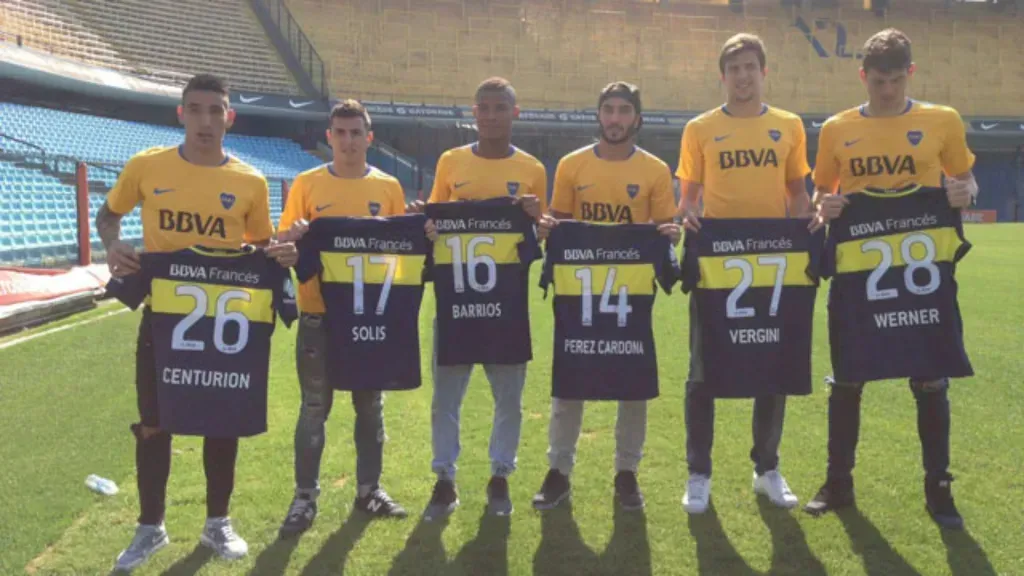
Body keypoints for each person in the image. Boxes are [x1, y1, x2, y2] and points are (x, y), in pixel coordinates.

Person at [96, 73, 298, 572]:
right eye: (196, 109)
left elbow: (258, 250)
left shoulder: (249, 181)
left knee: (220, 421)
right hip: (162, 317)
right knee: (153, 424)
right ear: (180, 114)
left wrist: (283, 253)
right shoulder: (147, 166)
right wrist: (112, 244)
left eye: (216, 111)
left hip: (223, 324)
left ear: (229, 117)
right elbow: (108, 214)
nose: (206, 120)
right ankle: (150, 528)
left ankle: (217, 523)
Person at [803, 28, 978, 530]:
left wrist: (962, 192)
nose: (886, 91)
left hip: (922, 274)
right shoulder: (836, 129)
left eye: (896, 81)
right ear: (863, 76)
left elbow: (966, 180)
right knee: (848, 379)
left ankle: (938, 487)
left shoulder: (942, 120)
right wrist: (826, 205)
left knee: (930, 378)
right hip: (859, 276)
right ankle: (838, 483)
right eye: (878, 81)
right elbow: (820, 197)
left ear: (911, 75)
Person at [676, 33, 812, 515]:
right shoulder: (700, 128)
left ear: (764, 71)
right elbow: (687, 197)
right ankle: (699, 473)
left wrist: (803, 230)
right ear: (723, 75)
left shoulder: (788, 125)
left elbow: (798, 194)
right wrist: (687, 215)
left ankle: (767, 468)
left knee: (773, 363)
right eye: (734, 68)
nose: (743, 76)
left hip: (774, 262)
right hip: (719, 262)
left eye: (751, 66)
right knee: (702, 369)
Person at [532, 81, 681, 511]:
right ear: (599, 115)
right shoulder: (571, 166)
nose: (615, 119)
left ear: (636, 117)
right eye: (608, 110)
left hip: (631, 296)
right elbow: (558, 225)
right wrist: (547, 229)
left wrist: (669, 237)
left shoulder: (654, 170)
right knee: (569, 382)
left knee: (632, 386)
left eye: (623, 110)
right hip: (579, 293)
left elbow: (663, 235)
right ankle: (559, 471)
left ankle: (626, 473)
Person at [276, 100, 417, 537]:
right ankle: (304, 498)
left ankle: (368, 490)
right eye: (341, 132)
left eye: (357, 133)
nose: (349, 140)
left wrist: (420, 231)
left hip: (371, 314)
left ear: (369, 138)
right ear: (329, 136)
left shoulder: (389, 187)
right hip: (319, 314)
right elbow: (282, 241)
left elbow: (400, 249)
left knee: (370, 407)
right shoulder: (307, 184)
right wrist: (292, 238)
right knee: (315, 407)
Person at [421, 77, 548, 520]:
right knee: (445, 400)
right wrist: (428, 226)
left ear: (515, 113)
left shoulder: (532, 169)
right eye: (484, 108)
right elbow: (432, 222)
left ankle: (500, 477)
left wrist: (537, 218)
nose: (491, 115)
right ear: (473, 113)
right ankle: (444, 480)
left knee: (509, 400)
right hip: (456, 304)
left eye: (500, 108)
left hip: (506, 307)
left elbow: (540, 237)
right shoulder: (450, 162)